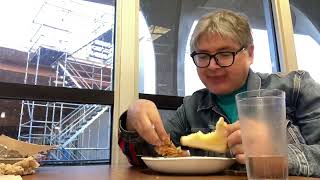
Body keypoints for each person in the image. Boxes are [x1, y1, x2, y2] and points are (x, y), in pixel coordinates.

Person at [118, 9, 320, 177]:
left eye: (224, 54)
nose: (213, 66)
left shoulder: (296, 87)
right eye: (203, 56)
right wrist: (132, 118)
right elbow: (147, 156)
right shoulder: (191, 107)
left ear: (249, 54)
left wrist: (279, 156)